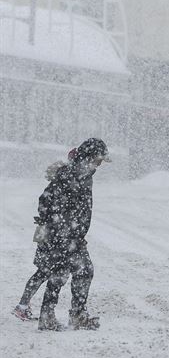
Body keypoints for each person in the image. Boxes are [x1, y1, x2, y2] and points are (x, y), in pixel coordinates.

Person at [35, 138, 111, 331]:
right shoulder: (70, 174)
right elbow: (45, 200)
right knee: (59, 274)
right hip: (61, 235)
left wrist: (75, 231)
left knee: (83, 271)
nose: (99, 164)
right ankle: (48, 317)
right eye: (98, 159)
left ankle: (76, 315)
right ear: (89, 156)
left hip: (73, 236)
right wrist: (60, 226)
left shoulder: (85, 175)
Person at [13, 149, 79, 321]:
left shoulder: (57, 183)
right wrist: (55, 224)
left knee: (43, 270)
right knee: (44, 271)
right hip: (52, 233)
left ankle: (23, 305)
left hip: (47, 232)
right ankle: (22, 306)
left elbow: (43, 205)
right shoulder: (62, 183)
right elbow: (47, 206)